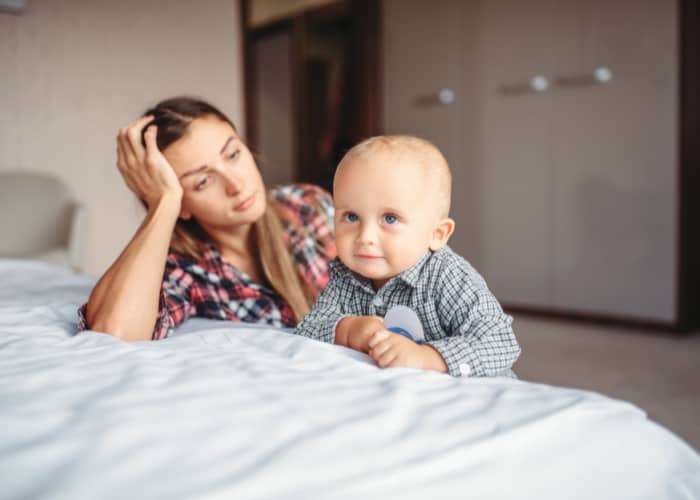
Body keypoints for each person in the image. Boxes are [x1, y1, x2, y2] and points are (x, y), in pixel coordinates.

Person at [79, 97, 336, 341]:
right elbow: (115, 330)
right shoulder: (188, 271)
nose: (236, 185)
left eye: (233, 154)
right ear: (182, 204)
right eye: (202, 181)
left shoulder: (307, 205)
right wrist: (163, 202)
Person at [294, 135, 520, 377]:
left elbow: (500, 341)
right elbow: (307, 330)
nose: (365, 237)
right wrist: (346, 330)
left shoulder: (447, 275)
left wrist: (426, 357)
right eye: (351, 216)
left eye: (390, 218)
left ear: (437, 234)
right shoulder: (344, 275)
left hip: (471, 395)